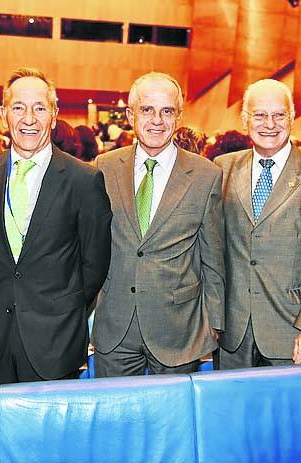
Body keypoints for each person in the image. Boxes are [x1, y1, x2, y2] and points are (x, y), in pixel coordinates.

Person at [0, 67, 112, 385]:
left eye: (39, 108)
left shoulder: (83, 180)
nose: (29, 118)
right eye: (18, 107)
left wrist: (60, 309)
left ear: (54, 115)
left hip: (57, 343)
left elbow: (94, 265)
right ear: (4, 114)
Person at [92, 72, 225, 377]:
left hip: (178, 329)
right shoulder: (103, 168)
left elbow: (213, 258)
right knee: (116, 421)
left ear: (179, 117)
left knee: (173, 423)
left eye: (167, 111)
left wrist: (214, 323)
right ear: (130, 115)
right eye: (147, 110)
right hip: (116, 328)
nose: (157, 120)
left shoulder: (206, 175)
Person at [214, 79, 301, 369]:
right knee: (232, 415)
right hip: (231, 335)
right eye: (260, 115)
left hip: (294, 334)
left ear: (292, 117)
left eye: (279, 115)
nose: (269, 124)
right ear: (246, 120)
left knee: (288, 416)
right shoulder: (221, 168)